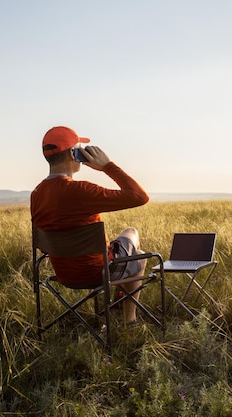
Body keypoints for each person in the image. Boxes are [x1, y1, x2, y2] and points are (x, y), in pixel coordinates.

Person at [31, 125, 149, 326]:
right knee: (137, 248)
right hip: (99, 272)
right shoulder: (82, 190)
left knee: (129, 240)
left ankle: (119, 302)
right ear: (73, 154)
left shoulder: (37, 194)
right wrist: (107, 166)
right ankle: (129, 320)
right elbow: (140, 197)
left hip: (64, 274)